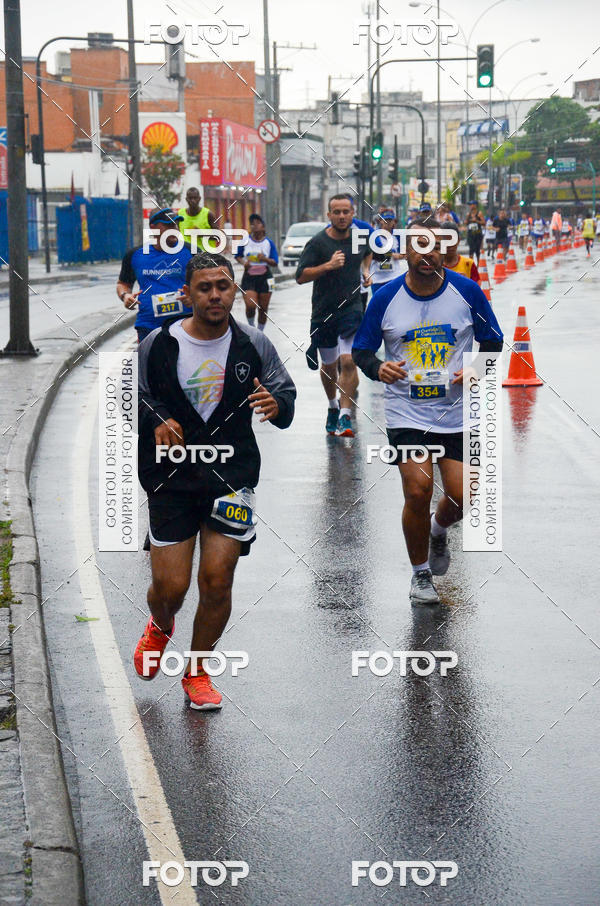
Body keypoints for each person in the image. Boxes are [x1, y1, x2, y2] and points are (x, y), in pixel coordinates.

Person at [134, 252, 296, 709]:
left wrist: (276, 404)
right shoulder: (158, 345)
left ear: (235, 290)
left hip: (231, 475)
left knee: (218, 579)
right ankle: (160, 625)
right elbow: (136, 400)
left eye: (223, 285)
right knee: (172, 588)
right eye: (204, 287)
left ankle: (198, 670)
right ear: (186, 294)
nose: (215, 295)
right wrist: (160, 418)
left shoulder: (254, 343)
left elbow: (285, 393)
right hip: (172, 479)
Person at [352, 218, 503, 604]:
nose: (426, 254)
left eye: (434, 246)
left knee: (463, 497)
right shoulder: (385, 298)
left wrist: (474, 370)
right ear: (405, 251)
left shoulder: (467, 292)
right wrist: (377, 368)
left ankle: (438, 531)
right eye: (418, 246)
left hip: (457, 415)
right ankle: (420, 575)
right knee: (417, 490)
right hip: (407, 414)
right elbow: (362, 351)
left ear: (444, 251)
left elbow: (493, 343)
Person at [296, 194, 372, 438]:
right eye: (336, 212)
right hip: (323, 312)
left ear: (353, 214)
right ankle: (332, 406)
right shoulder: (317, 243)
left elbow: (369, 251)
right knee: (329, 366)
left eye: (346, 212)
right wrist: (327, 266)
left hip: (352, 308)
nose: (341, 216)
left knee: (349, 361)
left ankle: (345, 415)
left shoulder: (361, 237)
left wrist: (365, 270)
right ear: (328, 215)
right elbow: (300, 276)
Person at [117, 208, 193, 343]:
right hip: (148, 327)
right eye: (169, 225)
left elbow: (208, 285)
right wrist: (125, 296)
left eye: (176, 224)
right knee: (147, 364)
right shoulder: (135, 255)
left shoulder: (191, 252)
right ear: (153, 228)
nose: (175, 229)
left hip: (186, 326)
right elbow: (123, 284)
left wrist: (193, 297)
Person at [234, 214, 278, 331]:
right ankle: (251, 327)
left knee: (263, 308)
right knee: (250, 305)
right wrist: (244, 263)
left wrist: (264, 259)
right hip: (249, 276)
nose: (254, 226)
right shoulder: (245, 240)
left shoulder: (269, 243)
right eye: (252, 224)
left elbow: (275, 262)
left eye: (258, 223)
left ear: (263, 227)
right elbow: (237, 256)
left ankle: (260, 332)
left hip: (266, 277)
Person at [369, 211, 406, 287]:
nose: (387, 222)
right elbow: (372, 253)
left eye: (390, 220)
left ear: (394, 222)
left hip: (394, 276)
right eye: (385, 220)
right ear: (381, 221)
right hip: (377, 278)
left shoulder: (397, 237)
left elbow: (404, 253)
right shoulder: (374, 236)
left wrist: (401, 255)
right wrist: (391, 254)